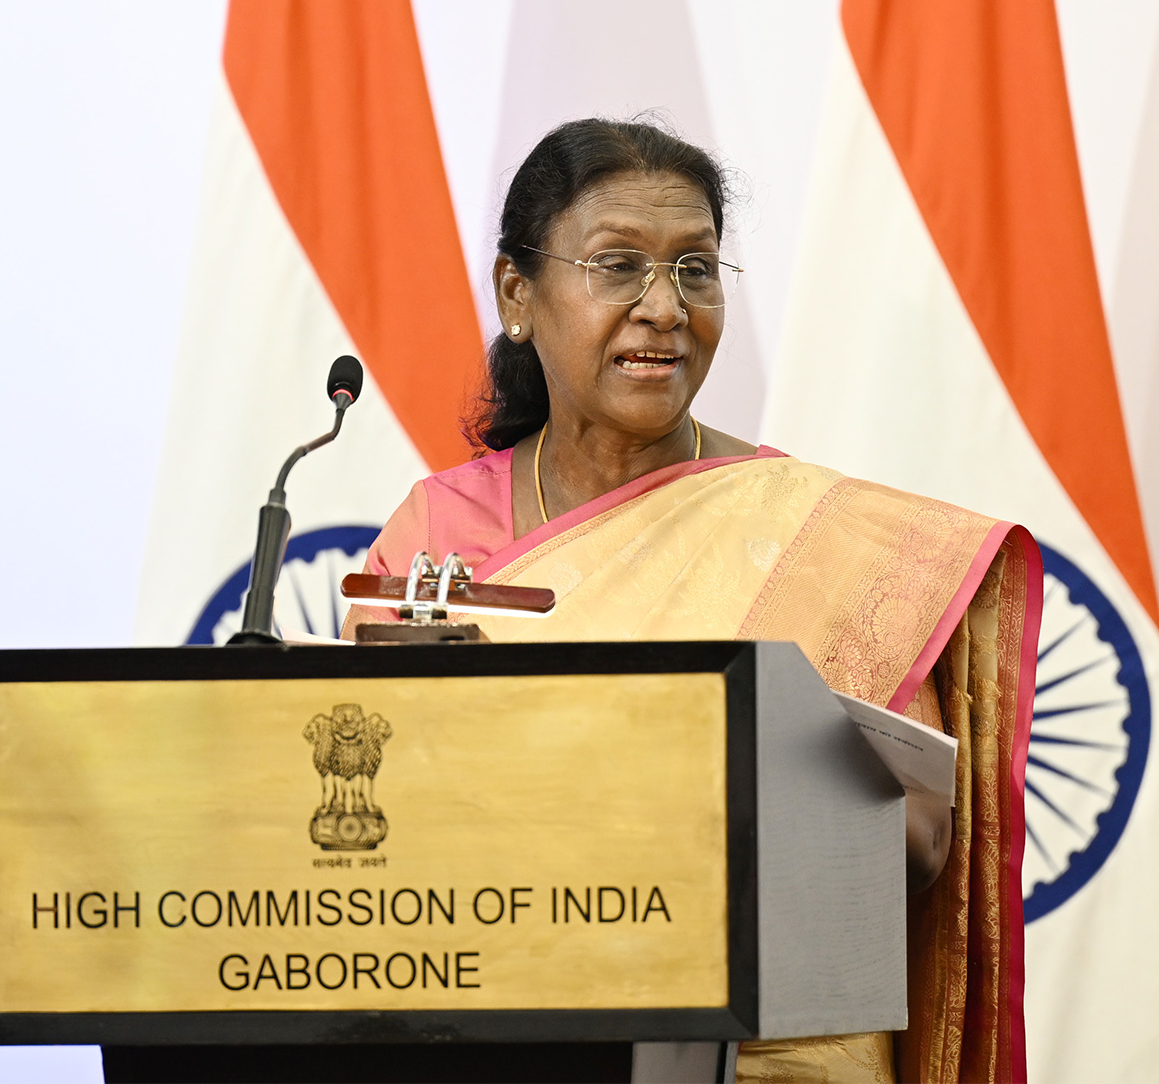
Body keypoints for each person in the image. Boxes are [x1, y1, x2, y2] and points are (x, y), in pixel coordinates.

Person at [348, 118, 1036, 1084]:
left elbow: (921, 839)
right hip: (510, 1037)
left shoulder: (813, 537)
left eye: (696, 270)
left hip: (775, 1049)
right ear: (518, 293)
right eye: (618, 266)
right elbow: (366, 832)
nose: (664, 308)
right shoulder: (436, 536)